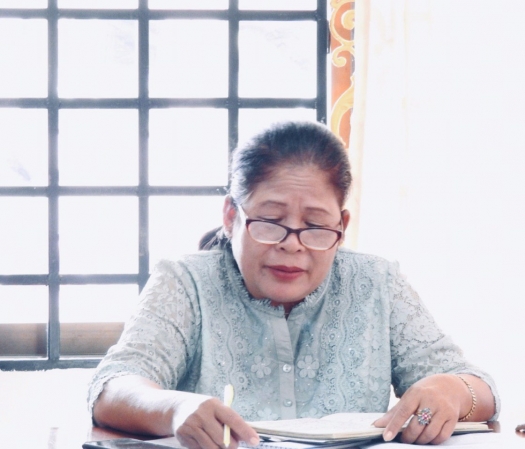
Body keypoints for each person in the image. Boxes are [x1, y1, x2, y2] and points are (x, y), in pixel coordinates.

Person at [88, 121, 500, 448]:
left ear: (342, 226)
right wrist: (175, 408)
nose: (292, 245)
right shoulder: (185, 281)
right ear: (231, 217)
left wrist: (450, 389)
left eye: (316, 225)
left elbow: (481, 390)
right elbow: (114, 386)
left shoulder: (377, 283)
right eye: (271, 221)